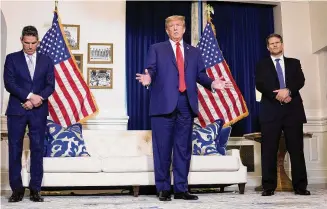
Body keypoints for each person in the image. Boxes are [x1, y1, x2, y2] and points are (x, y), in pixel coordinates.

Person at [136, 15, 232, 201]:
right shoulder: (156, 49)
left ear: (184, 28)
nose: (175, 29)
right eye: (171, 26)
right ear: (166, 30)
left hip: (186, 105)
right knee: (162, 149)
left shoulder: (194, 52)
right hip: (163, 105)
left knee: (183, 149)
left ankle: (181, 188)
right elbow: (151, 70)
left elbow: (200, 75)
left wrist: (213, 83)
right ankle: (163, 188)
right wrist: (148, 79)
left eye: (178, 25)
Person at [3, 26, 55, 202]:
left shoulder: (47, 60)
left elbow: (50, 85)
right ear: (21, 40)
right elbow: (9, 83)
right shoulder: (11, 59)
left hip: (39, 110)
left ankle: (35, 190)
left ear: (38, 42)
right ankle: (17, 190)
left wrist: (37, 99)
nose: (30, 46)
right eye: (27, 43)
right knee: (15, 149)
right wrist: (29, 97)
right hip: (17, 110)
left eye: (33, 43)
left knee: (38, 149)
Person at [255, 33, 310, 196]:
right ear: (268, 47)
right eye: (271, 44)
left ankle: (300, 186)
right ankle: (268, 187)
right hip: (270, 111)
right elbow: (260, 84)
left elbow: (300, 80)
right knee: (269, 150)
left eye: (277, 42)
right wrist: (277, 95)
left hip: (292, 110)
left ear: (282, 45)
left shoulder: (294, 63)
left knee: (296, 150)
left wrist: (288, 91)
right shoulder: (261, 65)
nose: (275, 45)